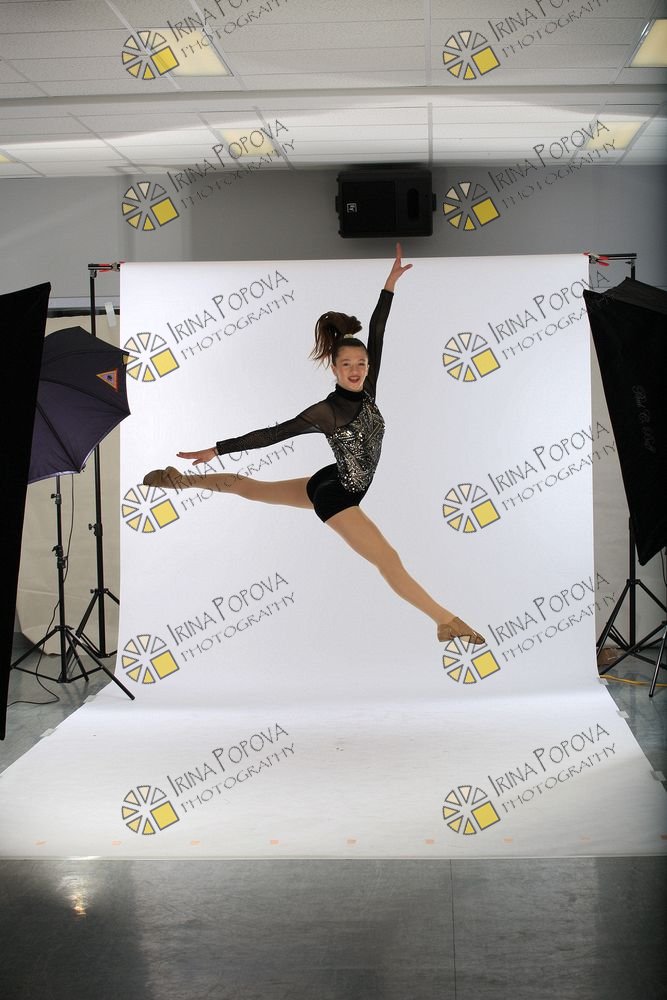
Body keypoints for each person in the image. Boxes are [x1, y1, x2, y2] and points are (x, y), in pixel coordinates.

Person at [144, 244, 484, 645]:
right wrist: (217, 448)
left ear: (367, 366)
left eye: (361, 364)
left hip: (330, 478)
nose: (355, 370)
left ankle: (182, 482)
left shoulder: (368, 389)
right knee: (389, 561)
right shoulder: (327, 411)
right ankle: (446, 621)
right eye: (347, 365)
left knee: (252, 489)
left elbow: (377, 330)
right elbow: (272, 435)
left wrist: (389, 286)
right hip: (337, 496)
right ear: (334, 368)